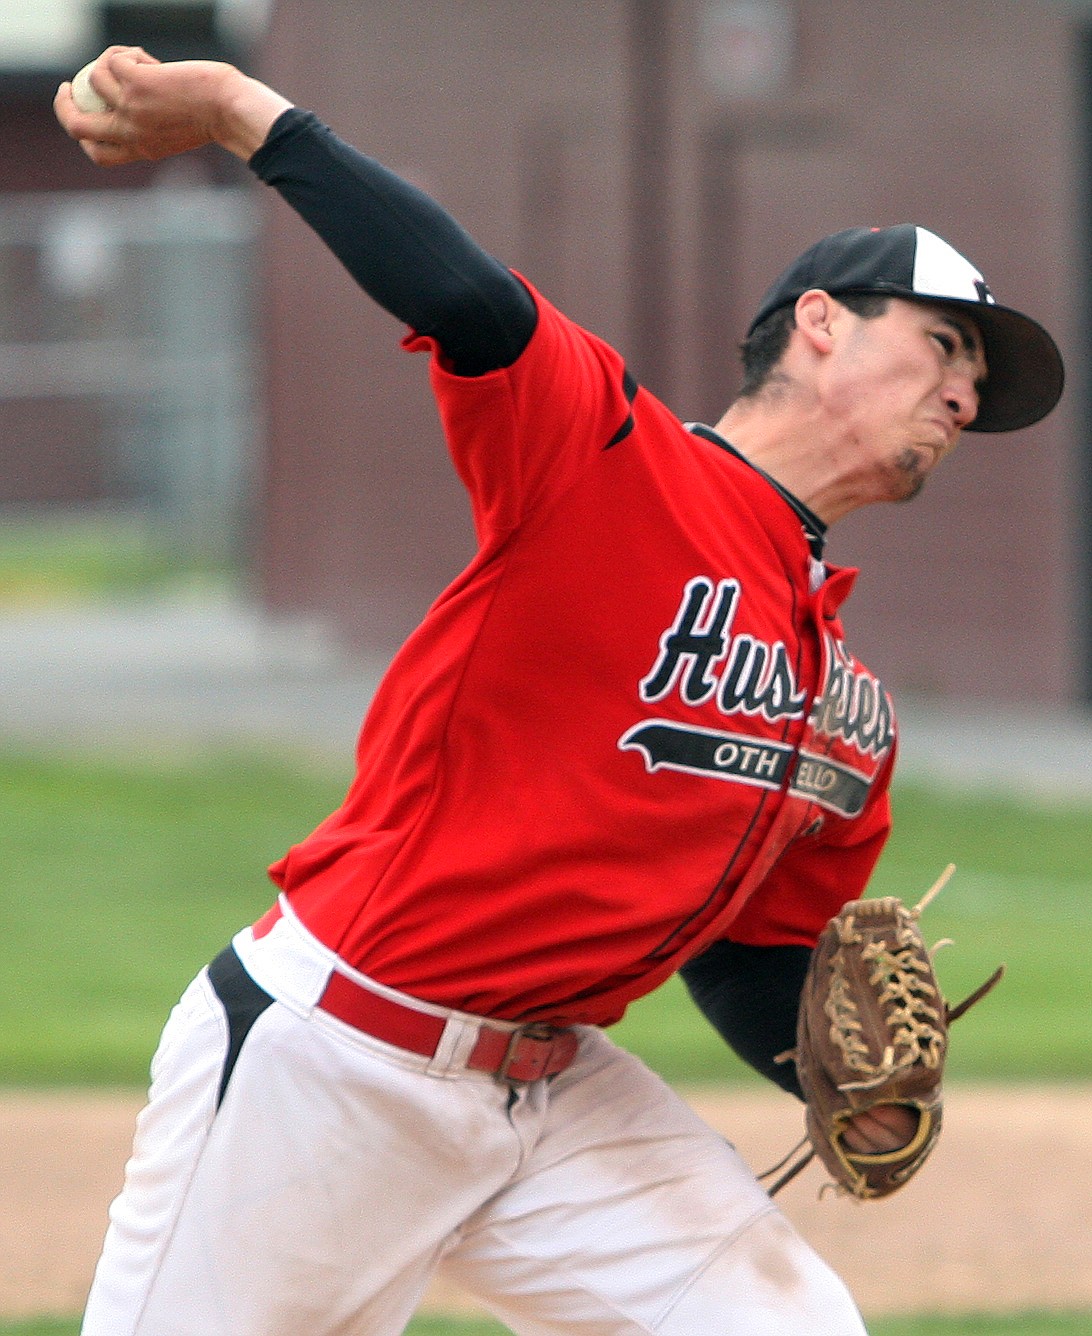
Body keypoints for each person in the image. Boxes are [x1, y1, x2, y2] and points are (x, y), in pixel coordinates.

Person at [55, 48, 1064, 1336]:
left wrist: (832, 1080)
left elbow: (753, 961)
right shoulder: (609, 457)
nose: (966, 395)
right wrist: (248, 117)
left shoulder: (847, 702)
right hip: (341, 1059)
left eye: (975, 381)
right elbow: (465, 298)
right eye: (944, 346)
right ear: (821, 322)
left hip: (556, 1092)